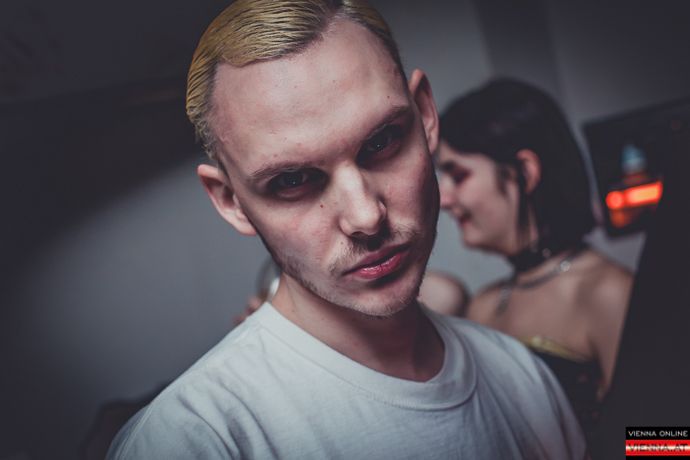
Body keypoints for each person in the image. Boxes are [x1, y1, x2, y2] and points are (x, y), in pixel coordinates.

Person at [107, 2, 585, 458]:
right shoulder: (193, 440)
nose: (366, 216)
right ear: (231, 201)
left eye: (382, 141)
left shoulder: (521, 375)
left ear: (425, 116)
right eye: (292, 180)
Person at [436, 78, 633, 442]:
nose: (444, 198)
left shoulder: (609, 293)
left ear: (524, 172)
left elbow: (671, 439)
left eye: (458, 175)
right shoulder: (483, 304)